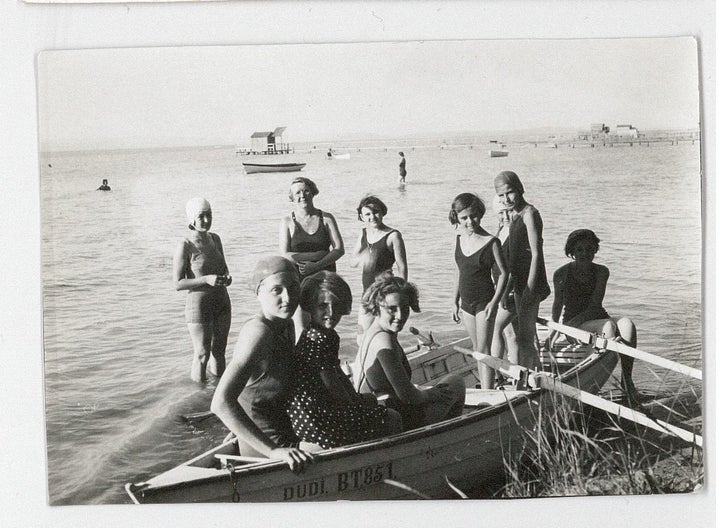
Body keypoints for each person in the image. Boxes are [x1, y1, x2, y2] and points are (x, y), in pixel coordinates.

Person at [210, 256, 314, 472]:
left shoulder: (285, 324)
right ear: (258, 293)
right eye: (277, 290)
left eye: (293, 288)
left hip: (281, 432)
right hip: (269, 448)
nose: (288, 298)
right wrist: (274, 451)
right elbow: (220, 403)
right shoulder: (258, 332)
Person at [287, 271, 402, 448]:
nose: (331, 313)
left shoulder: (319, 334)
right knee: (392, 417)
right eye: (323, 306)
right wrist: (359, 404)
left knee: (372, 403)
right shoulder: (321, 339)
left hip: (311, 414)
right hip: (319, 421)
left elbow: (337, 375)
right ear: (309, 306)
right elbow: (332, 384)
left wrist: (359, 399)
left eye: (336, 305)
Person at [354, 274, 465, 431]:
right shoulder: (384, 341)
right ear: (377, 306)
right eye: (392, 309)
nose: (400, 316)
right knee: (456, 382)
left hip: (386, 408)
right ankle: (447, 436)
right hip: (396, 416)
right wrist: (431, 394)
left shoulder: (372, 332)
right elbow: (408, 396)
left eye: (404, 308)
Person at [548, 229, 641, 406]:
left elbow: (595, 305)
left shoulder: (601, 271)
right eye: (579, 250)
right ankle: (593, 379)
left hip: (596, 317)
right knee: (608, 328)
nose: (584, 253)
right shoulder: (561, 273)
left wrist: (577, 322)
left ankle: (627, 381)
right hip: (573, 327)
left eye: (589, 249)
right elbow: (557, 305)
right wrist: (556, 330)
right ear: (572, 252)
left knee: (627, 325)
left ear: (595, 250)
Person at [449, 193, 508, 389]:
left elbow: (503, 275)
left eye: (473, 216)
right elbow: (460, 273)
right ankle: (486, 386)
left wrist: (494, 302)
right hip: (466, 303)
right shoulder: (458, 240)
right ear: (457, 217)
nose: (469, 221)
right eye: (464, 217)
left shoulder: (491, 242)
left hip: (485, 302)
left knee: (484, 350)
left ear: (480, 214)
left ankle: (488, 392)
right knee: (476, 349)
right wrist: (454, 302)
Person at [494, 171, 551, 370]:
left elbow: (536, 253)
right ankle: (528, 375)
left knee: (526, 338)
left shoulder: (529, 214)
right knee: (519, 336)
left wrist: (530, 289)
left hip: (530, 281)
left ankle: (533, 378)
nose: (505, 199)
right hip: (517, 282)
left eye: (509, 193)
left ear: (520, 189)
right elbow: (510, 256)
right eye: (500, 196)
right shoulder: (513, 215)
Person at [173, 197, 232, 383]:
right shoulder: (185, 246)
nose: (206, 220)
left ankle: (217, 395)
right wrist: (206, 279)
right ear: (192, 219)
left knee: (219, 353)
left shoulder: (215, 239)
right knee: (202, 354)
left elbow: (224, 267)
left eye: (209, 215)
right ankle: (198, 399)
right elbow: (178, 283)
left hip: (222, 301)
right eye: (201, 216)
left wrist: (227, 277)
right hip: (199, 306)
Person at [279, 176, 345, 338]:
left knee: (326, 326)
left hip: (326, 280)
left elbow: (339, 249)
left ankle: (327, 362)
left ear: (313, 192)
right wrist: (317, 254)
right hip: (299, 280)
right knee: (302, 329)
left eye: (306, 191)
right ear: (292, 197)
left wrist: (316, 265)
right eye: (298, 193)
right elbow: (285, 254)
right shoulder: (287, 221)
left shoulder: (326, 218)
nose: (302, 195)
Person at [351, 195, 408, 333]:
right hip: (367, 293)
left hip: (386, 292)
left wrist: (402, 292)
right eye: (368, 214)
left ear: (382, 212)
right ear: (362, 217)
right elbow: (353, 262)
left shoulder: (393, 236)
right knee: (362, 335)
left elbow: (402, 267)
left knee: (386, 332)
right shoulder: (363, 233)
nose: (372, 217)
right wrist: (363, 257)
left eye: (376, 212)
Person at [491, 196, 519, 368]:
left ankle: (497, 374)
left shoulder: (516, 233)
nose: (505, 216)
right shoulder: (501, 231)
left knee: (495, 329)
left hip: (511, 291)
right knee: (511, 334)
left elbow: (514, 270)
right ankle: (517, 374)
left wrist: (501, 294)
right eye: (501, 213)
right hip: (501, 290)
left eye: (509, 211)